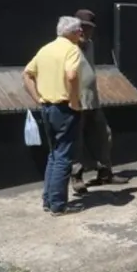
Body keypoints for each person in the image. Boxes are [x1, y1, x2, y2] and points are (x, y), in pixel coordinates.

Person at [22, 16, 85, 216]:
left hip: (47, 108)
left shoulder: (45, 49)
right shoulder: (72, 49)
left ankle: (48, 200)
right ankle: (58, 205)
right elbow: (72, 75)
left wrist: (38, 98)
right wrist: (74, 101)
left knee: (53, 154)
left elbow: (26, 74)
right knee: (64, 157)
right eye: (79, 31)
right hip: (64, 108)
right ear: (73, 33)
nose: (81, 34)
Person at [69, 10, 128, 194]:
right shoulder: (69, 46)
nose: (87, 31)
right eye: (84, 27)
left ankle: (104, 173)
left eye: (90, 28)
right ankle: (77, 176)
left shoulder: (90, 45)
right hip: (76, 102)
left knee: (104, 134)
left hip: (92, 100)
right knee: (76, 140)